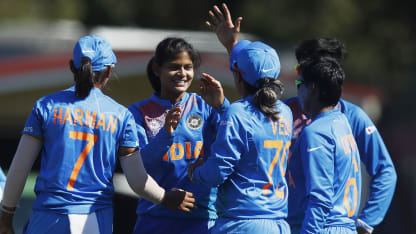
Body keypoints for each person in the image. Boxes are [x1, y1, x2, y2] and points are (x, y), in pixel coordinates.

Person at [0, 35, 195, 234]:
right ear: (109, 70)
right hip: (94, 221)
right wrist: (165, 197)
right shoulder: (121, 115)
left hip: (47, 218)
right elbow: (136, 179)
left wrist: (6, 219)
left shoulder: (46, 106)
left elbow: (19, 169)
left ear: (71, 66)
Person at [188, 4, 293, 233]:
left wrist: (196, 172)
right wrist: (231, 46)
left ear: (237, 77)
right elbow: (251, 75)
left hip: (241, 224)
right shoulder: (285, 111)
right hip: (277, 224)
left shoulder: (237, 113)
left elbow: (217, 172)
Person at [285, 38, 397, 234]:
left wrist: (366, 222)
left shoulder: (351, 117)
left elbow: (385, 171)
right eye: (299, 69)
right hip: (286, 222)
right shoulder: (283, 112)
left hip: (318, 225)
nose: (299, 78)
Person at [128, 37, 229, 234]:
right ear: (157, 69)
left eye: (188, 67)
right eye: (174, 67)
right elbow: (139, 165)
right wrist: (165, 135)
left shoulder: (205, 106)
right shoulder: (138, 112)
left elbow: (236, 141)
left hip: (201, 218)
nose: (182, 74)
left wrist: (222, 106)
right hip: (155, 217)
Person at [288, 56, 363, 233]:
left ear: (312, 88)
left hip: (324, 227)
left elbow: (320, 199)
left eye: (300, 85)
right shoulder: (342, 122)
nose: (297, 92)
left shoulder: (316, 132)